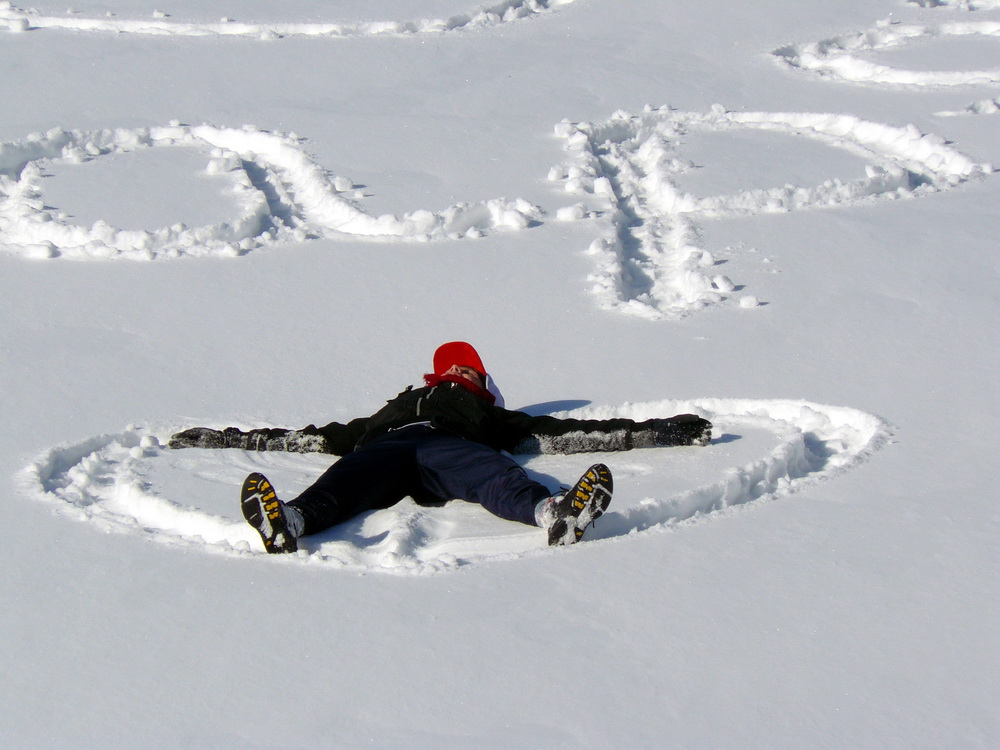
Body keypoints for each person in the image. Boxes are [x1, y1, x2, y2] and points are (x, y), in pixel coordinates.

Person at [169, 342, 712, 553]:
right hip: (387, 447)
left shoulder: (487, 415)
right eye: (452, 368)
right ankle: (292, 520)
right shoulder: (394, 408)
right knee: (345, 478)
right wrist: (226, 439)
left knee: (493, 473)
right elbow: (317, 436)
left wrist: (661, 430)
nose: (459, 372)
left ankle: (555, 513)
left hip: (448, 448)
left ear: (481, 385)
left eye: (469, 371)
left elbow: (565, 432)